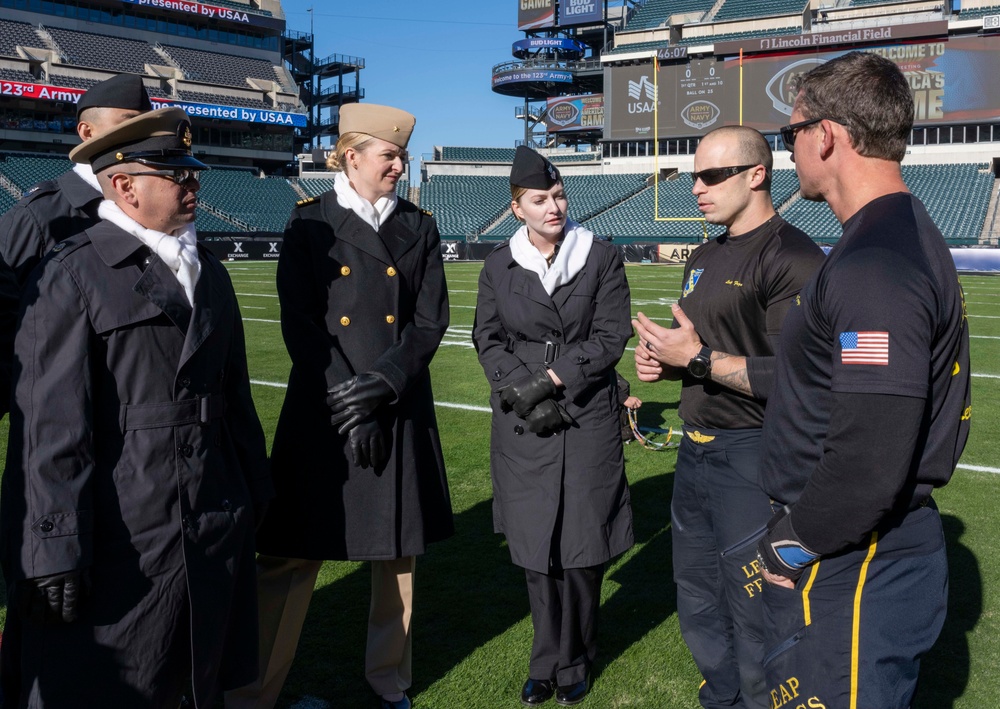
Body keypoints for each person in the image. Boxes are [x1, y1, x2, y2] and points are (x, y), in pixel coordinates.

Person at [0, 107, 272, 707]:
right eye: (175, 170)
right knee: (114, 685)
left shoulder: (212, 274)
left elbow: (236, 402)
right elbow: (50, 430)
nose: (193, 181)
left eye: (192, 168)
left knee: (198, 676)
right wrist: (51, 546)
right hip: (126, 528)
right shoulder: (70, 275)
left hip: (210, 516)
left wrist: (257, 497)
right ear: (123, 185)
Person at [754, 51, 971, 708]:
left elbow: (871, 459)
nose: (788, 150)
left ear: (826, 135)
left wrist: (789, 541)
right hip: (861, 547)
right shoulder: (889, 236)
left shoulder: (875, 260)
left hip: (856, 558)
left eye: (789, 134)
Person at [229, 103, 454, 709]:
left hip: (396, 403)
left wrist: (381, 385)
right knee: (290, 555)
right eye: (390, 156)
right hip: (324, 406)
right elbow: (300, 321)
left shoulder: (419, 224)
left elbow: (432, 319)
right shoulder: (308, 223)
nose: (401, 166)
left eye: (403, 156)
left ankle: (390, 683)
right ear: (351, 155)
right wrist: (347, 401)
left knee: (397, 556)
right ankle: (252, 692)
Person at [632, 126, 824, 709]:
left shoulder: (792, 255)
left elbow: (794, 377)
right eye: (694, 176)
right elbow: (708, 350)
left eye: (712, 175)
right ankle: (720, 698)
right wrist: (668, 363)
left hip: (753, 452)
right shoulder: (703, 252)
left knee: (755, 605)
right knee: (696, 593)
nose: (697, 188)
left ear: (756, 174)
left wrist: (693, 358)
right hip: (695, 447)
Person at [473, 146, 634, 707]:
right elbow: (487, 338)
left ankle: (577, 657)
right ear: (517, 207)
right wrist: (521, 390)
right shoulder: (498, 264)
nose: (554, 207)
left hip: (586, 414)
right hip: (523, 422)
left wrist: (551, 380)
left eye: (559, 195)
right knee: (536, 548)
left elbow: (611, 338)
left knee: (583, 548)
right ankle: (546, 661)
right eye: (540, 199)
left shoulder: (602, 257)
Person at [0, 73, 153, 415]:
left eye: (146, 124)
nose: (141, 134)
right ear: (87, 132)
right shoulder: (39, 216)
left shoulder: (151, 205)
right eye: (129, 122)